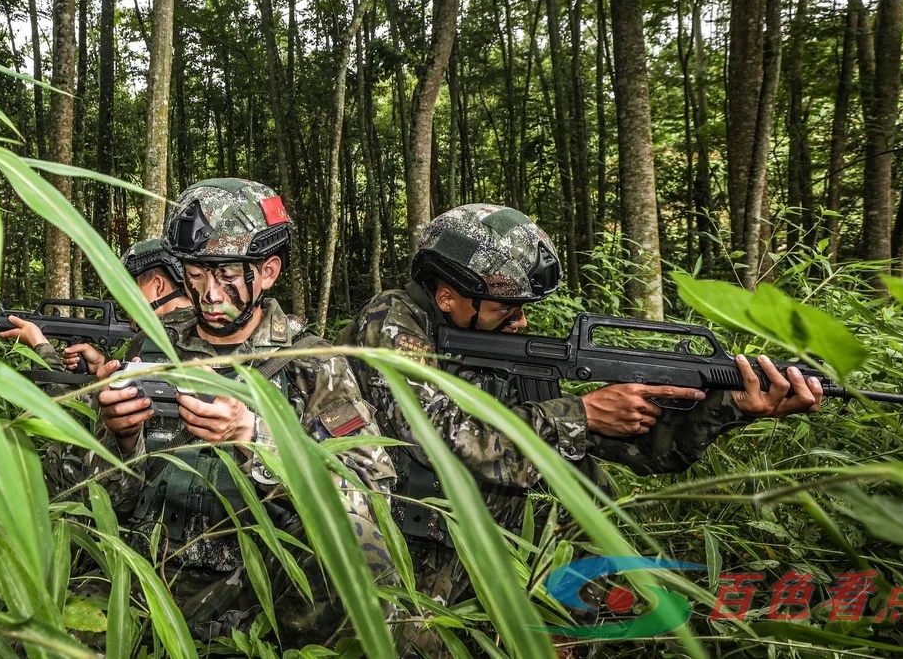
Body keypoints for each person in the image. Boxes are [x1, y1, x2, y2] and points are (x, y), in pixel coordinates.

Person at [336, 203, 824, 652]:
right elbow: (439, 437)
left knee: (587, 481)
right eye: (508, 308)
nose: (521, 323)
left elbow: (649, 451)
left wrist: (731, 405)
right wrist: (583, 413)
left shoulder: (484, 338)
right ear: (448, 296)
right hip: (400, 546)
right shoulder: (391, 322)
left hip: (485, 542)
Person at [84, 178, 397, 645]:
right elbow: (99, 497)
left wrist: (257, 437)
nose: (208, 293)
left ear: (268, 272)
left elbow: (373, 494)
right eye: (195, 273)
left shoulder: (310, 363)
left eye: (227, 275)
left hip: (261, 583)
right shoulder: (151, 346)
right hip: (143, 569)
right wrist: (120, 438)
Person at [0, 239, 195, 495]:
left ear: (157, 286)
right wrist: (101, 367)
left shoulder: (157, 342)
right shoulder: (189, 334)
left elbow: (64, 413)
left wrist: (40, 346)